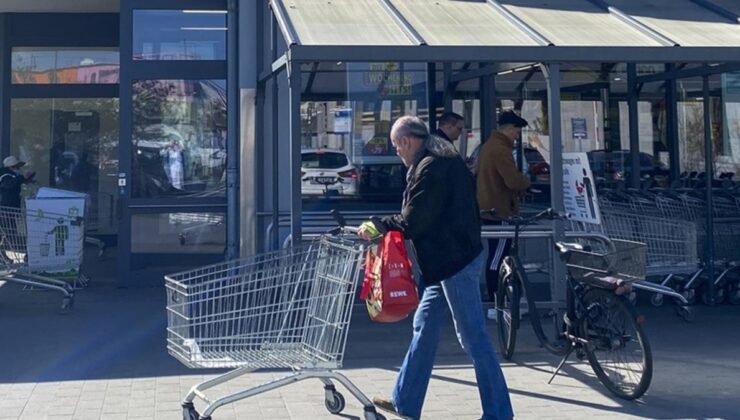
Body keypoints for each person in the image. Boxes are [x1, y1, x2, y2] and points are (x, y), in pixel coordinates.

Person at [358, 116, 513, 420]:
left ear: (405, 141)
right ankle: (405, 402)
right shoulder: (440, 159)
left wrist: (378, 225)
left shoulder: (431, 168)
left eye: (396, 146)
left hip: (454, 262)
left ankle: (499, 413)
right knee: (424, 329)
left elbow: (415, 219)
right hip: (444, 263)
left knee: (473, 337)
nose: (397, 153)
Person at [477, 111, 531, 306]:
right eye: (516, 132)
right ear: (508, 130)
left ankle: (498, 297)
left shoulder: (489, 146)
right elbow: (512, 179)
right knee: (499, 256)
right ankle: (495, 299)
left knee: (498, 255)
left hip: (491, 208)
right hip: (499, 211)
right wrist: (527, 182)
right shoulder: (500, 149)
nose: (517, 136)